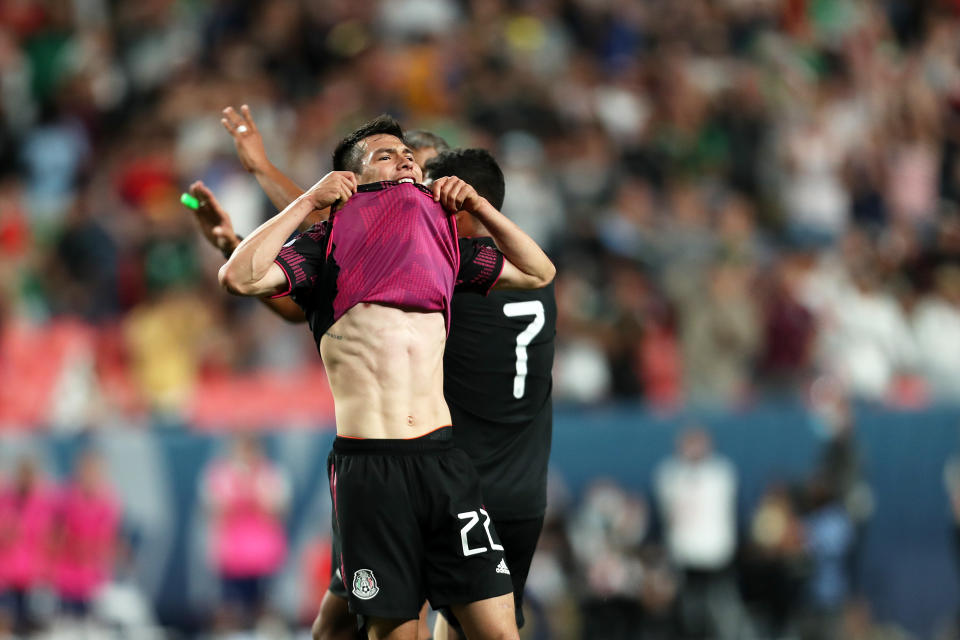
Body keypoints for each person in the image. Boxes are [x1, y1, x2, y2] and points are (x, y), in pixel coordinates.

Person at [188, 120, 556, 640]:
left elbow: (540, 271)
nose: (408, 161)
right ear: (351, 181)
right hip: (371, 470)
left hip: (445, 462)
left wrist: (478, 207)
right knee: (375, 631)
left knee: (496, 632)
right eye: (388, 155)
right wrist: (308, 199)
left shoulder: (442, 242)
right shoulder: (325, 247)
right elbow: (239, 277)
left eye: (410, 155)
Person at [202, 433, 291, 631]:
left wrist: (254, 491)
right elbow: (213, 510)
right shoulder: (221, 475)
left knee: (265, 610)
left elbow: (278, 510)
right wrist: (239, 490)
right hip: (232, 556)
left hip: (264, 556)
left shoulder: (271, 474)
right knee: (230, 611)